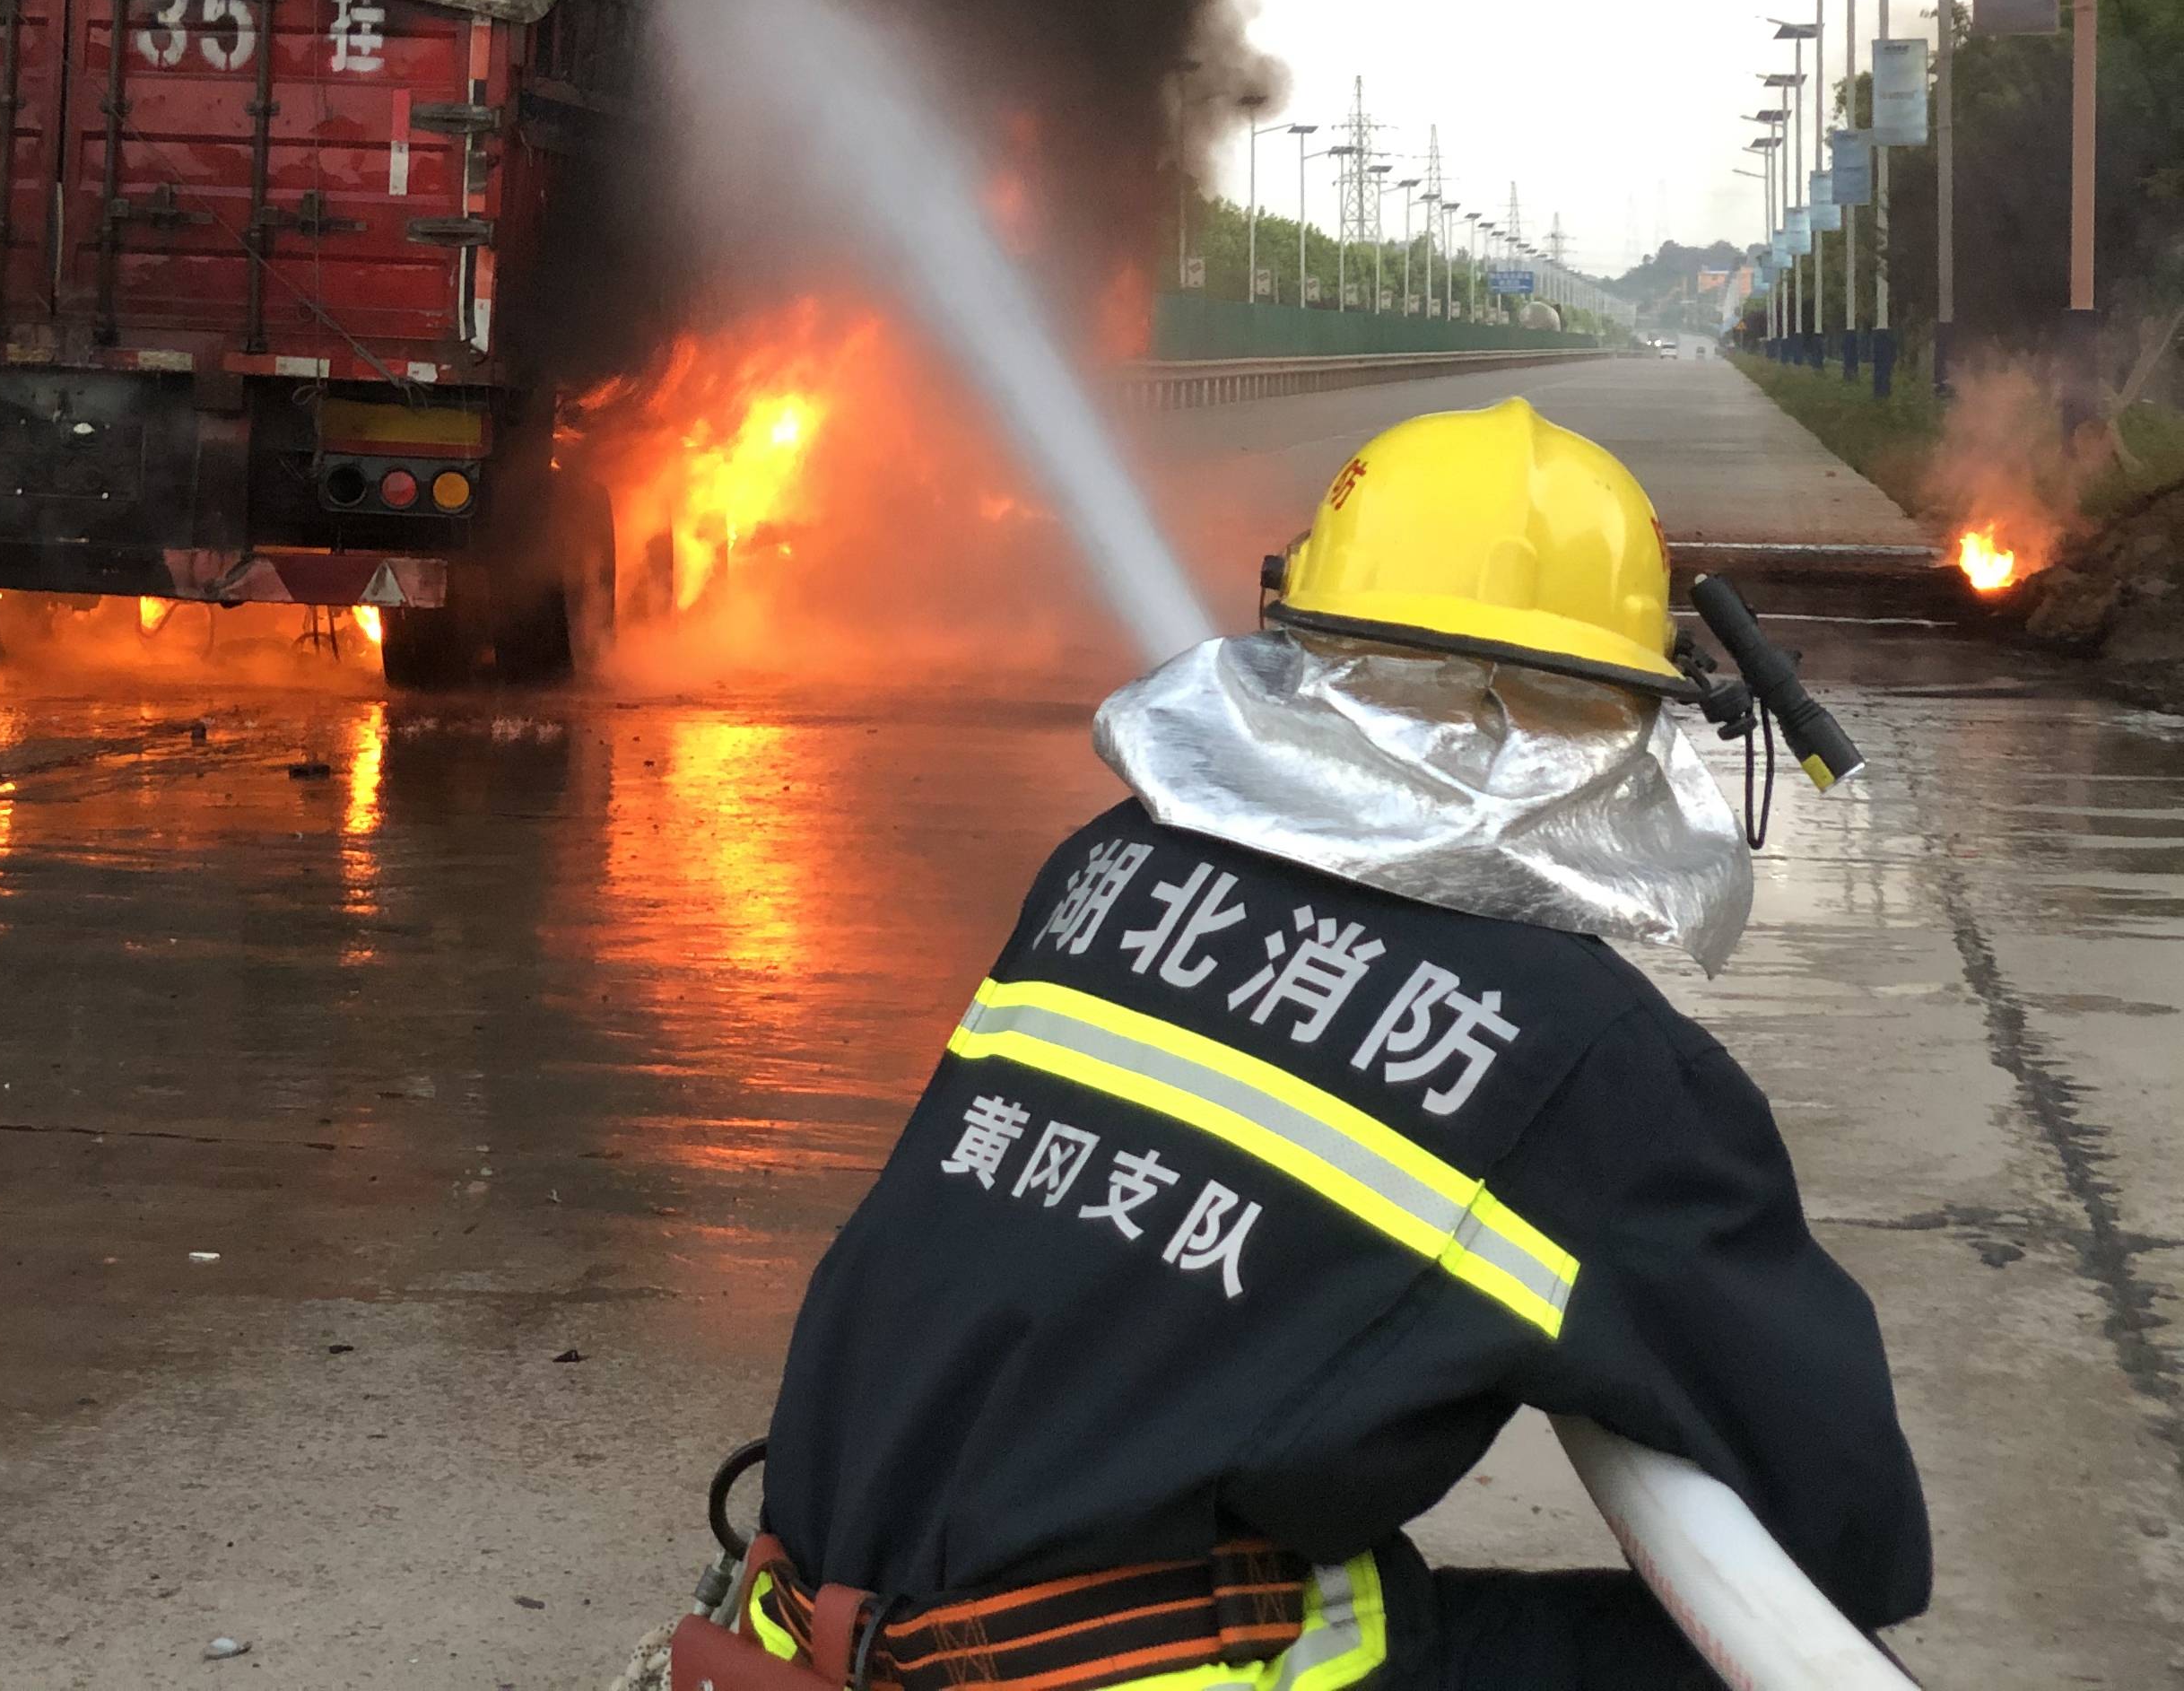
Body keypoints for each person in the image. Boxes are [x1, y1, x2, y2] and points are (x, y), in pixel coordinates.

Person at [690, 397, 1929, 1691]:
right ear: (1621, 717)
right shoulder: (1587, 1058)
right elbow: (1849, 1538)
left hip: (790, 1632)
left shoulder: (1102, 869)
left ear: (1299, 649)